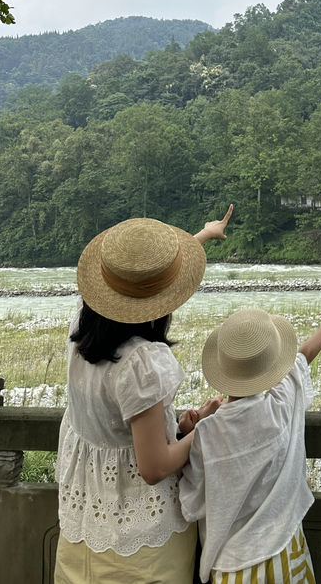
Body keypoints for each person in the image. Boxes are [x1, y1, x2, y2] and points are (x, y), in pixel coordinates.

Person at [54, 205, 233, 584]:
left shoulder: (82, 331)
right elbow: (153, 466)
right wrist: (204, 432)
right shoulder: (141, 364)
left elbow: (135, 280)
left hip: (84, 522)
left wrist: (201, 236)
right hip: (142, 540)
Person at [179, 303, 321, 584]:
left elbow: (192, 501)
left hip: (230, 566)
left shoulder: (207, 432)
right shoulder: (280, 405)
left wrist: (187, 431)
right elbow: (303, 357)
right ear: (271, 365)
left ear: (223, 368)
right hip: (283, 551)